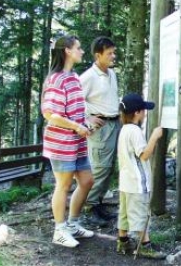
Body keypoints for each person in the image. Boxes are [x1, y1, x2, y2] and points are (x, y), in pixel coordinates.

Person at [41, 35, 95, 248]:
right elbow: (50, 114)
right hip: (61, 143)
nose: (82, 52)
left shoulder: (73, 77)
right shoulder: (56, 79)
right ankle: (60, 230)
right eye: (79, 48)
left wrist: (86, 122)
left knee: (87, 181)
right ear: (67, 51)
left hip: (78, 142)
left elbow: (75, 110)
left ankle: (72, 224)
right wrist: (76, 126)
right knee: (63, 185)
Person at [116, 93, 167, 260]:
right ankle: (145, 246)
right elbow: (144, 155)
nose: (145, 113)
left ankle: (122, 241)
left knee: (124, 213)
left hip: (126, 183)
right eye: (144, 110)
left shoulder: (124, 129)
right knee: (141, 215)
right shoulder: (135, 131)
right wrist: (154, 136)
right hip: (138, 184)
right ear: (137, 112)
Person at [80, 36, 121, 227]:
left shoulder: (111, 74)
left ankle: (98, 203)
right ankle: (89, 207)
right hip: (100, 127)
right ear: (98, 55)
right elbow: (74, 100)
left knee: (109, 167)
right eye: (109, 53)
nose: (114, 56)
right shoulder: (88, 76)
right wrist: (87, 117)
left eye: (114, 52)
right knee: (100, 167)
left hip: (114, 123)